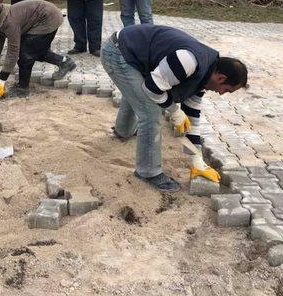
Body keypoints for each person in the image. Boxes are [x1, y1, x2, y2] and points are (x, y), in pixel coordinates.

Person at [101, 24, 248, 192]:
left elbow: (192, 119)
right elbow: (151, 88)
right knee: (151, 112)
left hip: (135, 55)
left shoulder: (203, 78)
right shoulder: (188, 61)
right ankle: (148, 172)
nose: (222, 94)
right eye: (227, 90)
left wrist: (196, 158)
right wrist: (174, 110)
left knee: (139, 96)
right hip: (119, 52)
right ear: (221, 78)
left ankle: (123, 131)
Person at [0, 0, 76, 98]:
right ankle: (65, 62)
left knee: (26, 54)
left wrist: (1, 80)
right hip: (41, 17)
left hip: (48, 18)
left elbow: (13, 51)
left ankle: (22, 89)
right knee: (36, 49)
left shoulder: (9, 23)